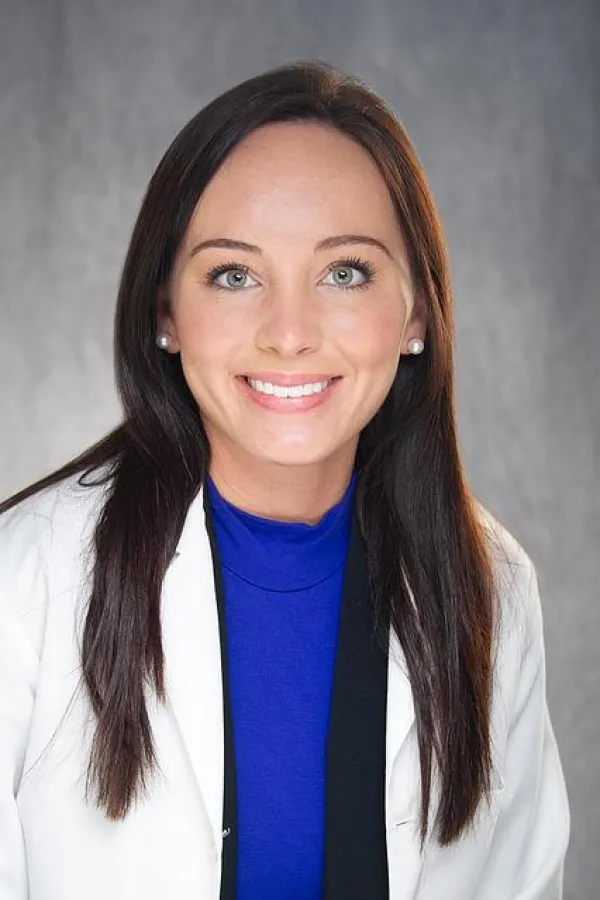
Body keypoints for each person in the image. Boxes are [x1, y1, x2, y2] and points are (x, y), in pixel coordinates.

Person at [0, 60, 569, 900]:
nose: (290, 332)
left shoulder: (493, 588)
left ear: (415, 312)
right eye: (235, 275)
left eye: (345, 272)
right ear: (166, 312)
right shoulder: (23, 582)